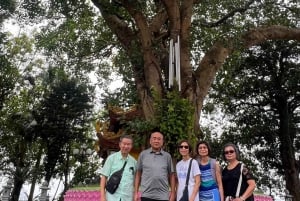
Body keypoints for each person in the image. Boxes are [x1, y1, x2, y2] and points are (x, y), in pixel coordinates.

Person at [134, 130, 176, 201]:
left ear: (162, 142)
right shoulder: (143, 155)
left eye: (159, 139)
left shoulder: (167, 156)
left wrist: (173, 193)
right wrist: (136, 193)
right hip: (146, 195)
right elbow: (138, 174)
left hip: (163, 196)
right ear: (150, 141)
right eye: (154, 138)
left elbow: (172, 175)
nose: (156, 141)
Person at [100, 135, 137, 201]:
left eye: (128, 144)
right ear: (120, 144)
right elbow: (104, 177)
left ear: (131, 146)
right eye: (124, 144)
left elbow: (134, 182)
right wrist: (102, 197)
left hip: (127, 198)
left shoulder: (134, 162)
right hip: (112, 197)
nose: (126, 146)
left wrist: (135, 195)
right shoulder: (111, 159)